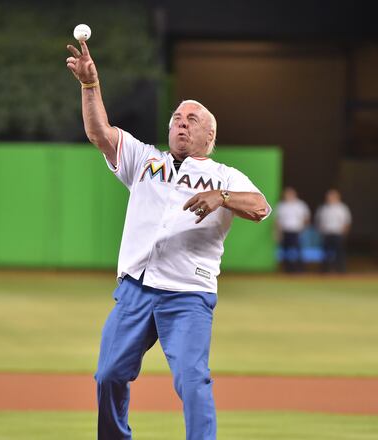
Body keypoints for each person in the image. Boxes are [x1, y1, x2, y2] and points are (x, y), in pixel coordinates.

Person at [66, 40, 271, 440]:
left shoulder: (224, 175)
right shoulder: (145, 161)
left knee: (192, 382)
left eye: (192, 118)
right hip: (135, 289)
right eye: (177, 116)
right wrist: (90, 86)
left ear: (208, 135)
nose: (181, 121)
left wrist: (222, 197)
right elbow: (99, 133)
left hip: (188, 295)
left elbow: (261, 207)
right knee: (108, 374)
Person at [274, 186, 310, 273]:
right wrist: (278, 232)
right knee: (286, 251)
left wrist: (303, 229)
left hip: (296, 231)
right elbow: (277, 220)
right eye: (287, 194)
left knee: (297, 251)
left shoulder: (300, 205)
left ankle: (300, 269)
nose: (289, 195)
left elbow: (306, 218)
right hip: (285, 231)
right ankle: (288, 269)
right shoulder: (281, 206)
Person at [314, 189, 351, 273]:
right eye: (329, 196)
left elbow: (347, 222)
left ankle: (340, 270)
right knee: (326, 253)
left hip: (337, 233)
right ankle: (325, 270)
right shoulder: (323, 208)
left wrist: (344, 233)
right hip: (326, 233)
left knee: (339, 253)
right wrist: (320, 231)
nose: (330, 198)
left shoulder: (342, 208)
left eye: (332, 196)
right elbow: (319, 221)